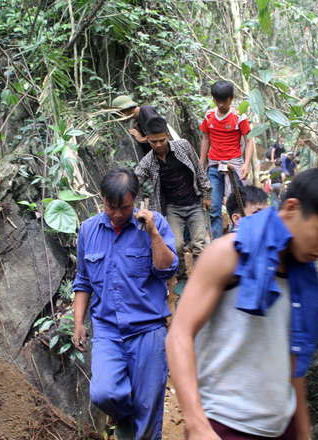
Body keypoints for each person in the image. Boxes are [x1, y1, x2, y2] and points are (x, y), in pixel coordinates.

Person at [165, 168, 318, 440]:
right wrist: (198, 426)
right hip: (224, 425)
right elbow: (179, 335)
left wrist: (302, 433)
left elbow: (295, 364)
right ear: (292, 208)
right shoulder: (228, 254)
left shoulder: (302, 275)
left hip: (282, 427)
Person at [72, 167, 178, 440]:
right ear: (102, 199)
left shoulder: (155, 224)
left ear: (136, 201)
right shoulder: (88, 231)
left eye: (125, 207)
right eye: (111, 207)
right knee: (103, 393)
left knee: (149, 408)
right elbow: (83, 281)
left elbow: (167, 270)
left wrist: (153, 232)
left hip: (148, 329)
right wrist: (78, 324)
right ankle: (125, 417)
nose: (118, 214)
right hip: (108, 330)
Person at [135, 116, 211, 291]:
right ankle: (183, 277)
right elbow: (135, 178)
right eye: (153, 141)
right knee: (175, 245)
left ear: (168, 135)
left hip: (194, 203)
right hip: (173, 208)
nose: (158, 145)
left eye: (162, 140)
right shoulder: (149, 161)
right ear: (147, 138)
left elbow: (199, 170)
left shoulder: (183, 146)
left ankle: (202, 277)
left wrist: (206, 193)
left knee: (199, 243)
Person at [200, 80, 255, 240]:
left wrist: (246, 164)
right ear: (213, 99)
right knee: (214, 206)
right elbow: (205, 139)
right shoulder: (209, 115)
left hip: (234, 165)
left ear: (231, 98)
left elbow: (249, 140)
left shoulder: (239, 116)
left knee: (236, 205)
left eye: (225, 101)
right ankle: (216, 243)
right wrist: (201, 165)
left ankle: (237, 239)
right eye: (218, 101)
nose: (221, 104)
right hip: (214, 166)